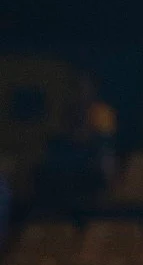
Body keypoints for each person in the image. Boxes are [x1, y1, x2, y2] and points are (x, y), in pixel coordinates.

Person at [35, 74, 117, 212]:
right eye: (78, 88)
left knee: (102, 160)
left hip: (92, 157)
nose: (81, 92)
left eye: (85, 87)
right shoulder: (68, 110)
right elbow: (63, 137)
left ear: (93, 89)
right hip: (72, 157)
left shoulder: (101, 112)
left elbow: (102, 141)